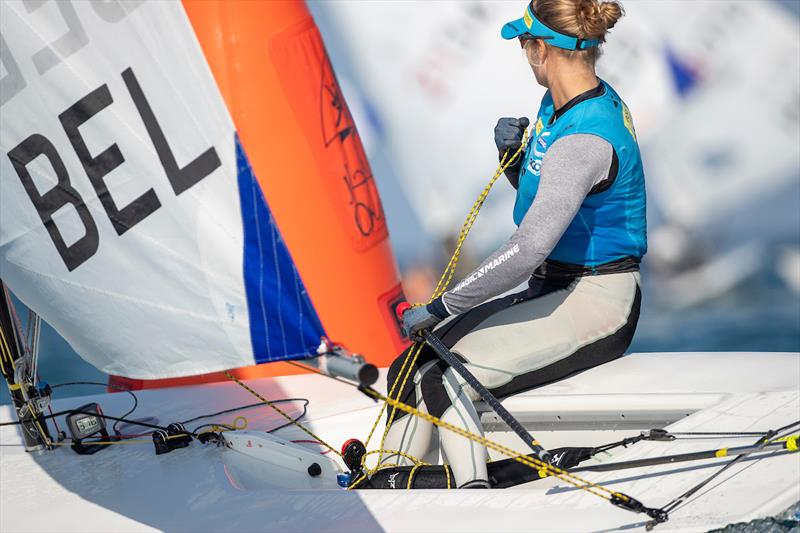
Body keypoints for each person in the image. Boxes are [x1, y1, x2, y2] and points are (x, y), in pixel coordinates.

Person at [383, 0, 646, 489]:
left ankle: (474, 499)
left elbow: (529, 248)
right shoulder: (564, 103)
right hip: (558, 289)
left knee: (445, 377)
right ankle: (387, 482)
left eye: (524, 44)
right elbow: (557, 203)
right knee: (409, 366)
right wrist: (512, 162)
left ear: (540, 49)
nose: (523, 54)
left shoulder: (584, 138)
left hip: (597, 301)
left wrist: (440, 307)